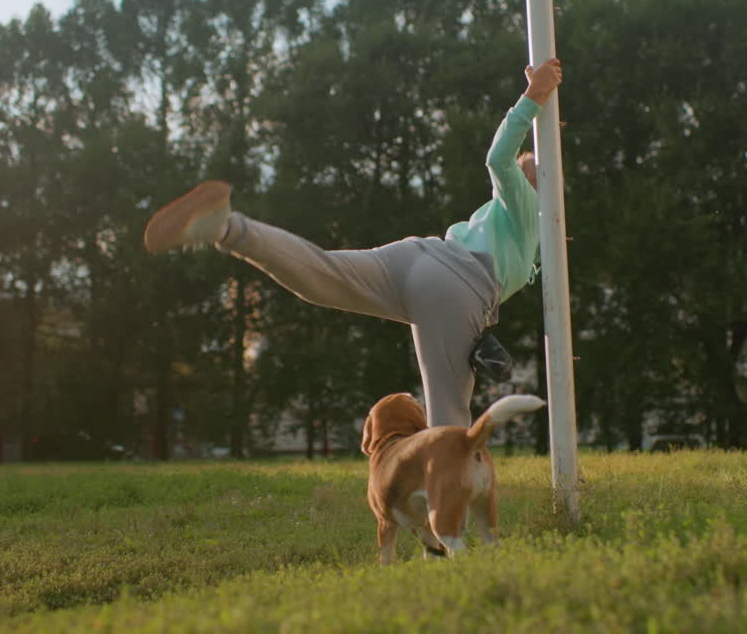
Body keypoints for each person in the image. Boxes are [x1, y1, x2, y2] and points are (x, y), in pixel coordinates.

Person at [143, 58, 563, 428]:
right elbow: (498, 160)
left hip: (420, 257)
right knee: (449, 419)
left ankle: (227, 228)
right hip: (457, 288)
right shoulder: (532, 209)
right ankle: (449, 520)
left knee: (321, 275)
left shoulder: (514, 226)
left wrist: (541, 107)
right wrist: (533, 96)